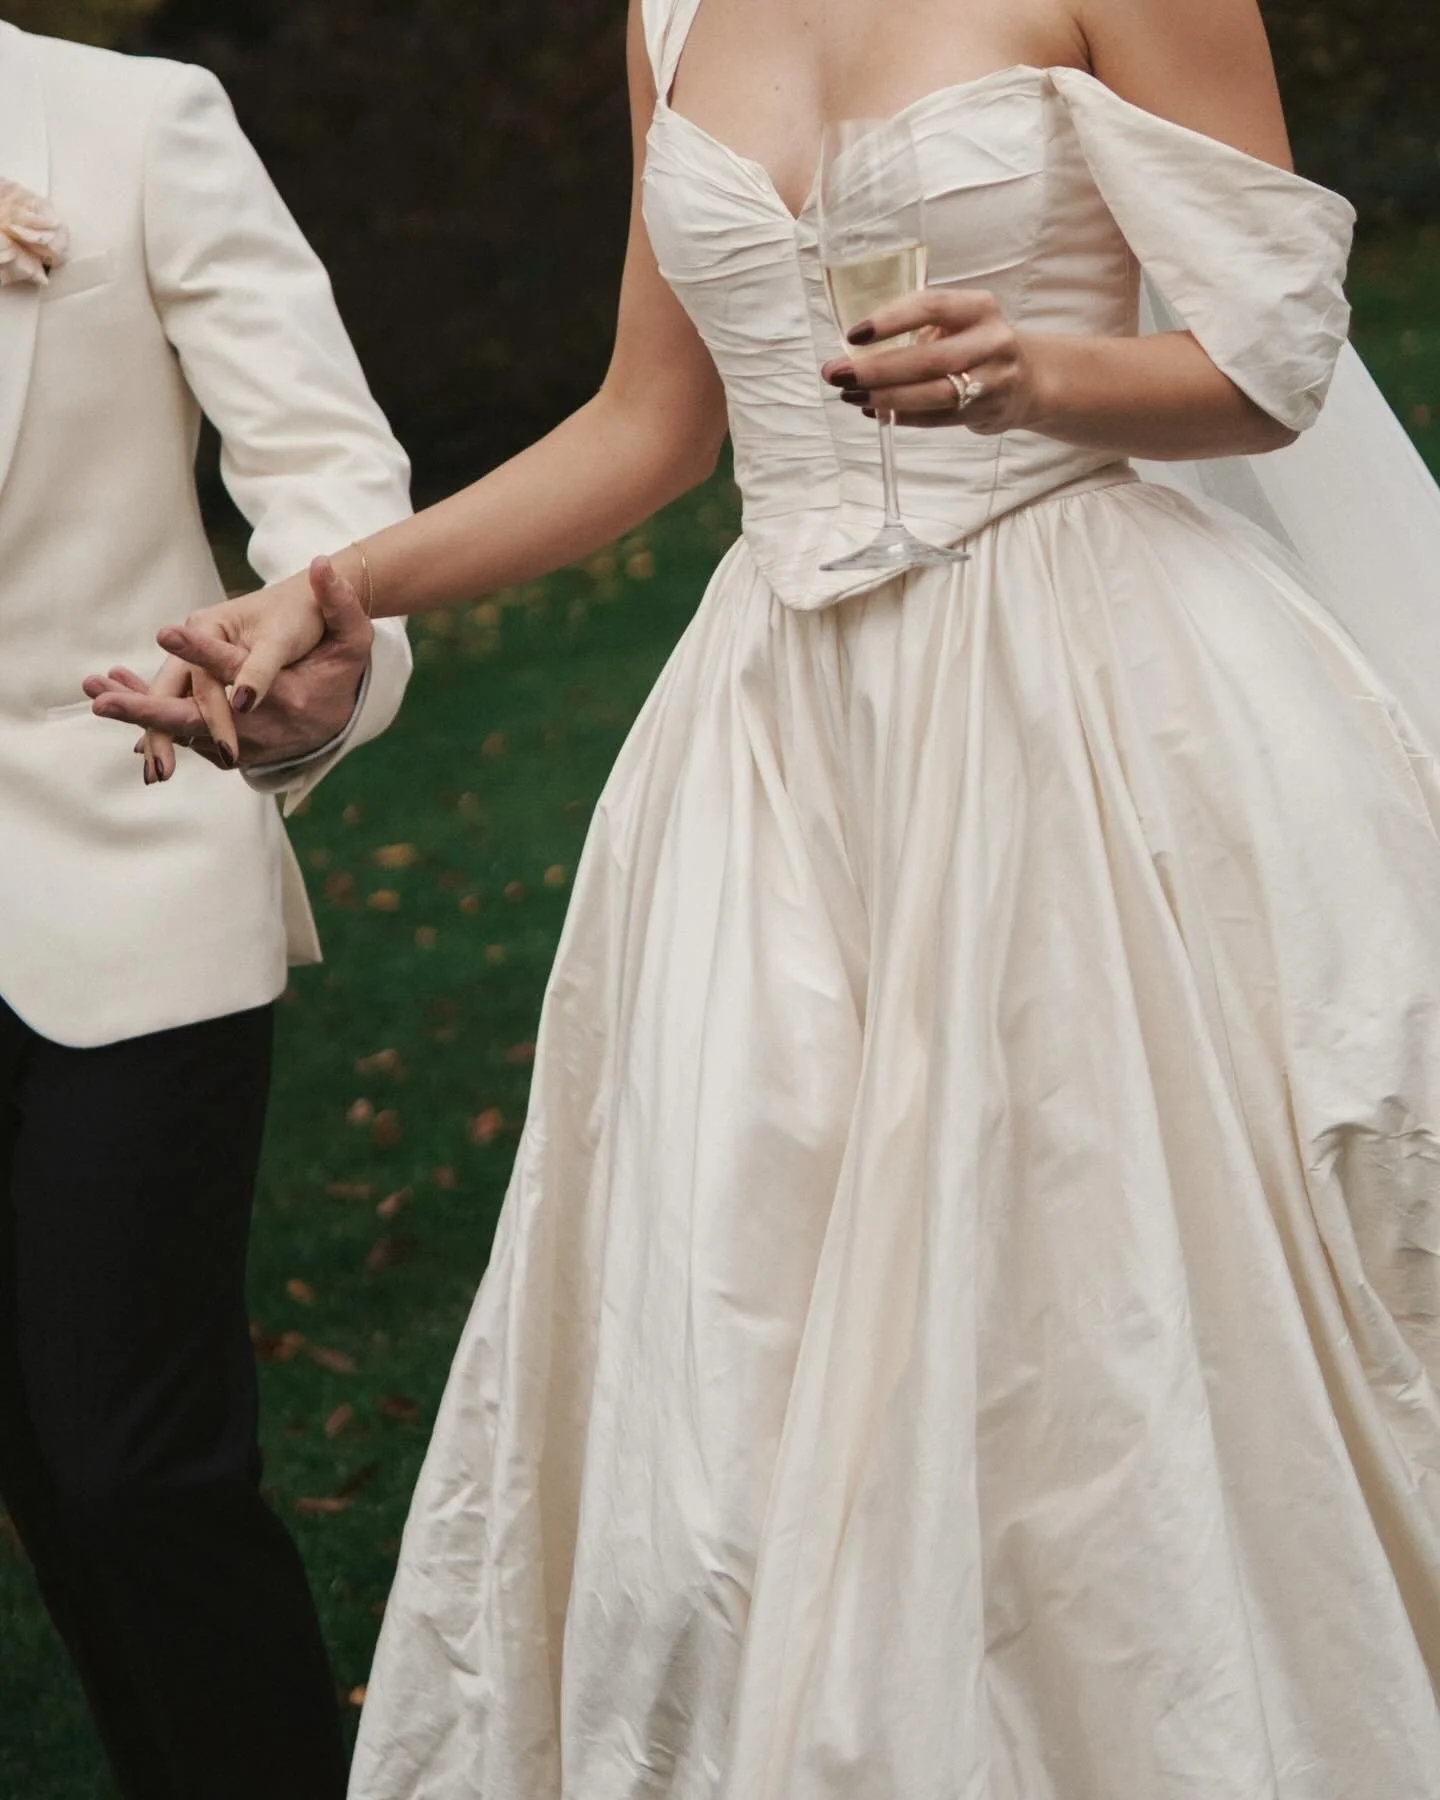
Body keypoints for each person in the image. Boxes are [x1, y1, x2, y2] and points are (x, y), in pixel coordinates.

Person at [91, 0, 1440, 1793]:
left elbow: (1271, 363)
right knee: (731, 1339)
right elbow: (648, 424)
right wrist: (333, 590)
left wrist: (1039, 371)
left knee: (1092, 1315)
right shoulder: (664, 16)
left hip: (1088, 695)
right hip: (780, 749)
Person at [0, 16, 413, 1800]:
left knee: (131, 1476)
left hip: (116, 852)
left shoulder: (138, 122)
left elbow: (326, 469)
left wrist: (321, 648)